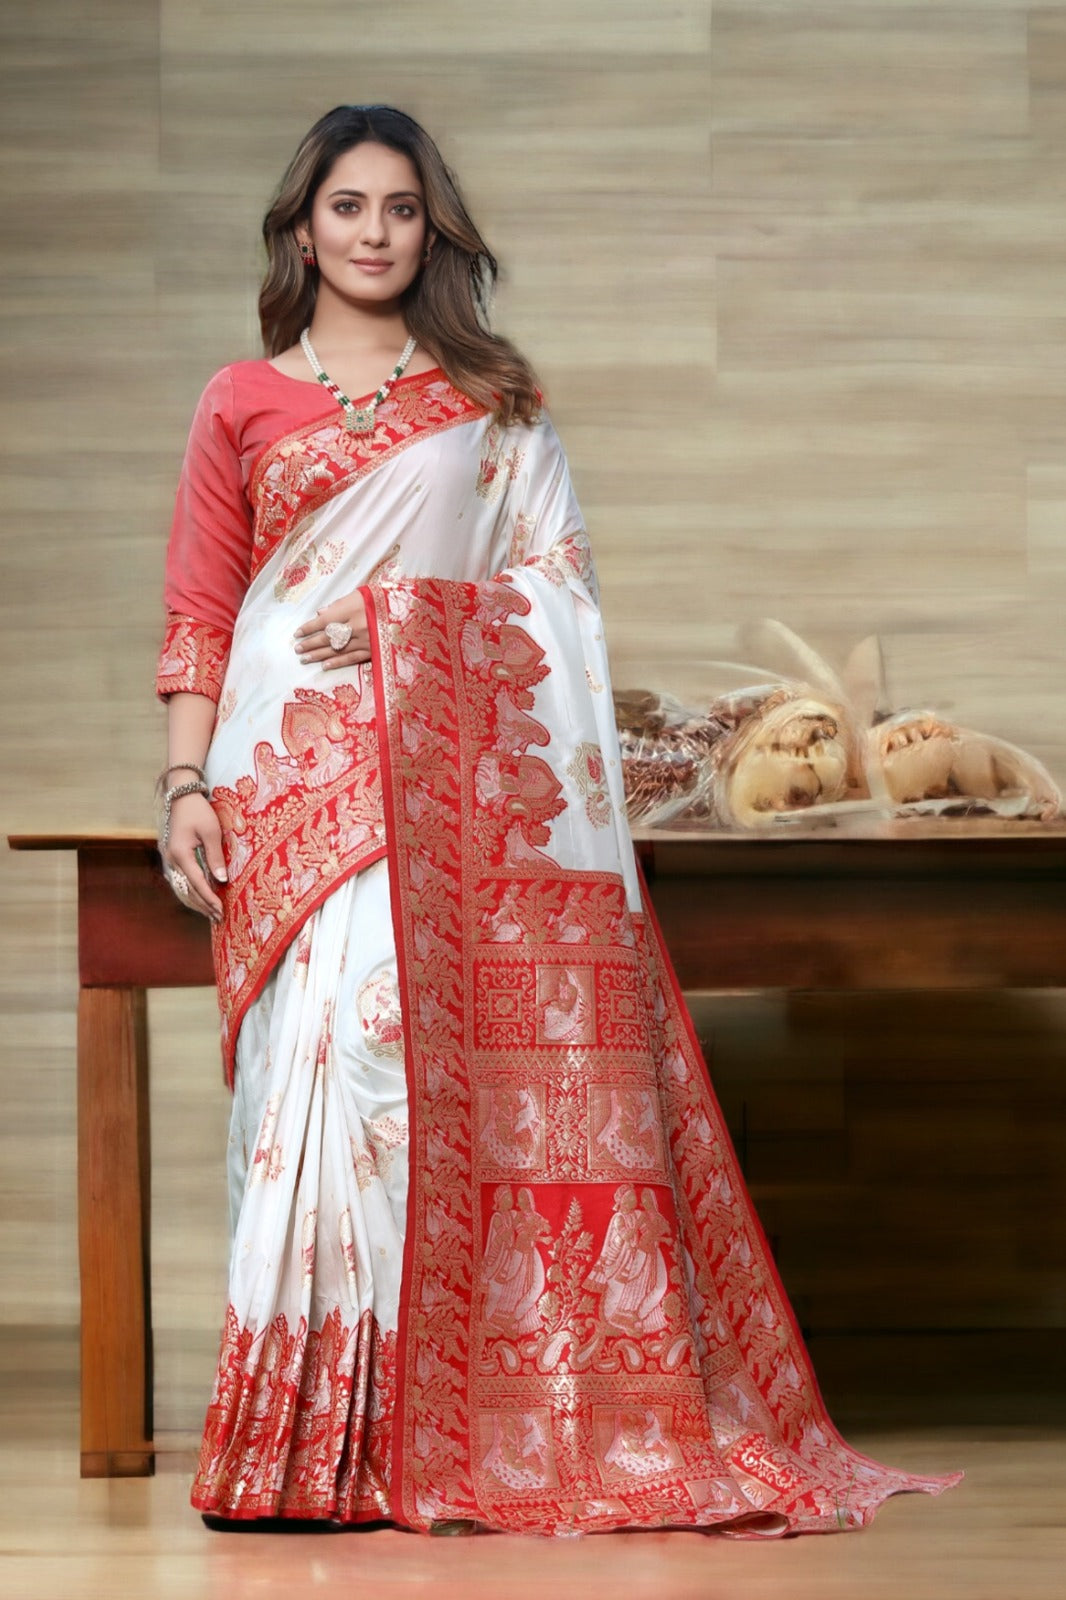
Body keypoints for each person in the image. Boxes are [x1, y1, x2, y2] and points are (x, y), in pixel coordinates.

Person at [157, 104, 959, 1535]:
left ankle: (407, 1437)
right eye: (348, 206)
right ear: (301, 230)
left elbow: (559, 602)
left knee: (392, 1074)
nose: (374, 232)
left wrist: (405, 625)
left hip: (431, 782)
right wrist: (180, 784)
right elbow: (201, 609)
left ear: (433, 231)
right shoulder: (239, 399)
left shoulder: (492, 399)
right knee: (297, 1084)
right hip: (275, 783)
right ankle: (295, 1442)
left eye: (402, 208)